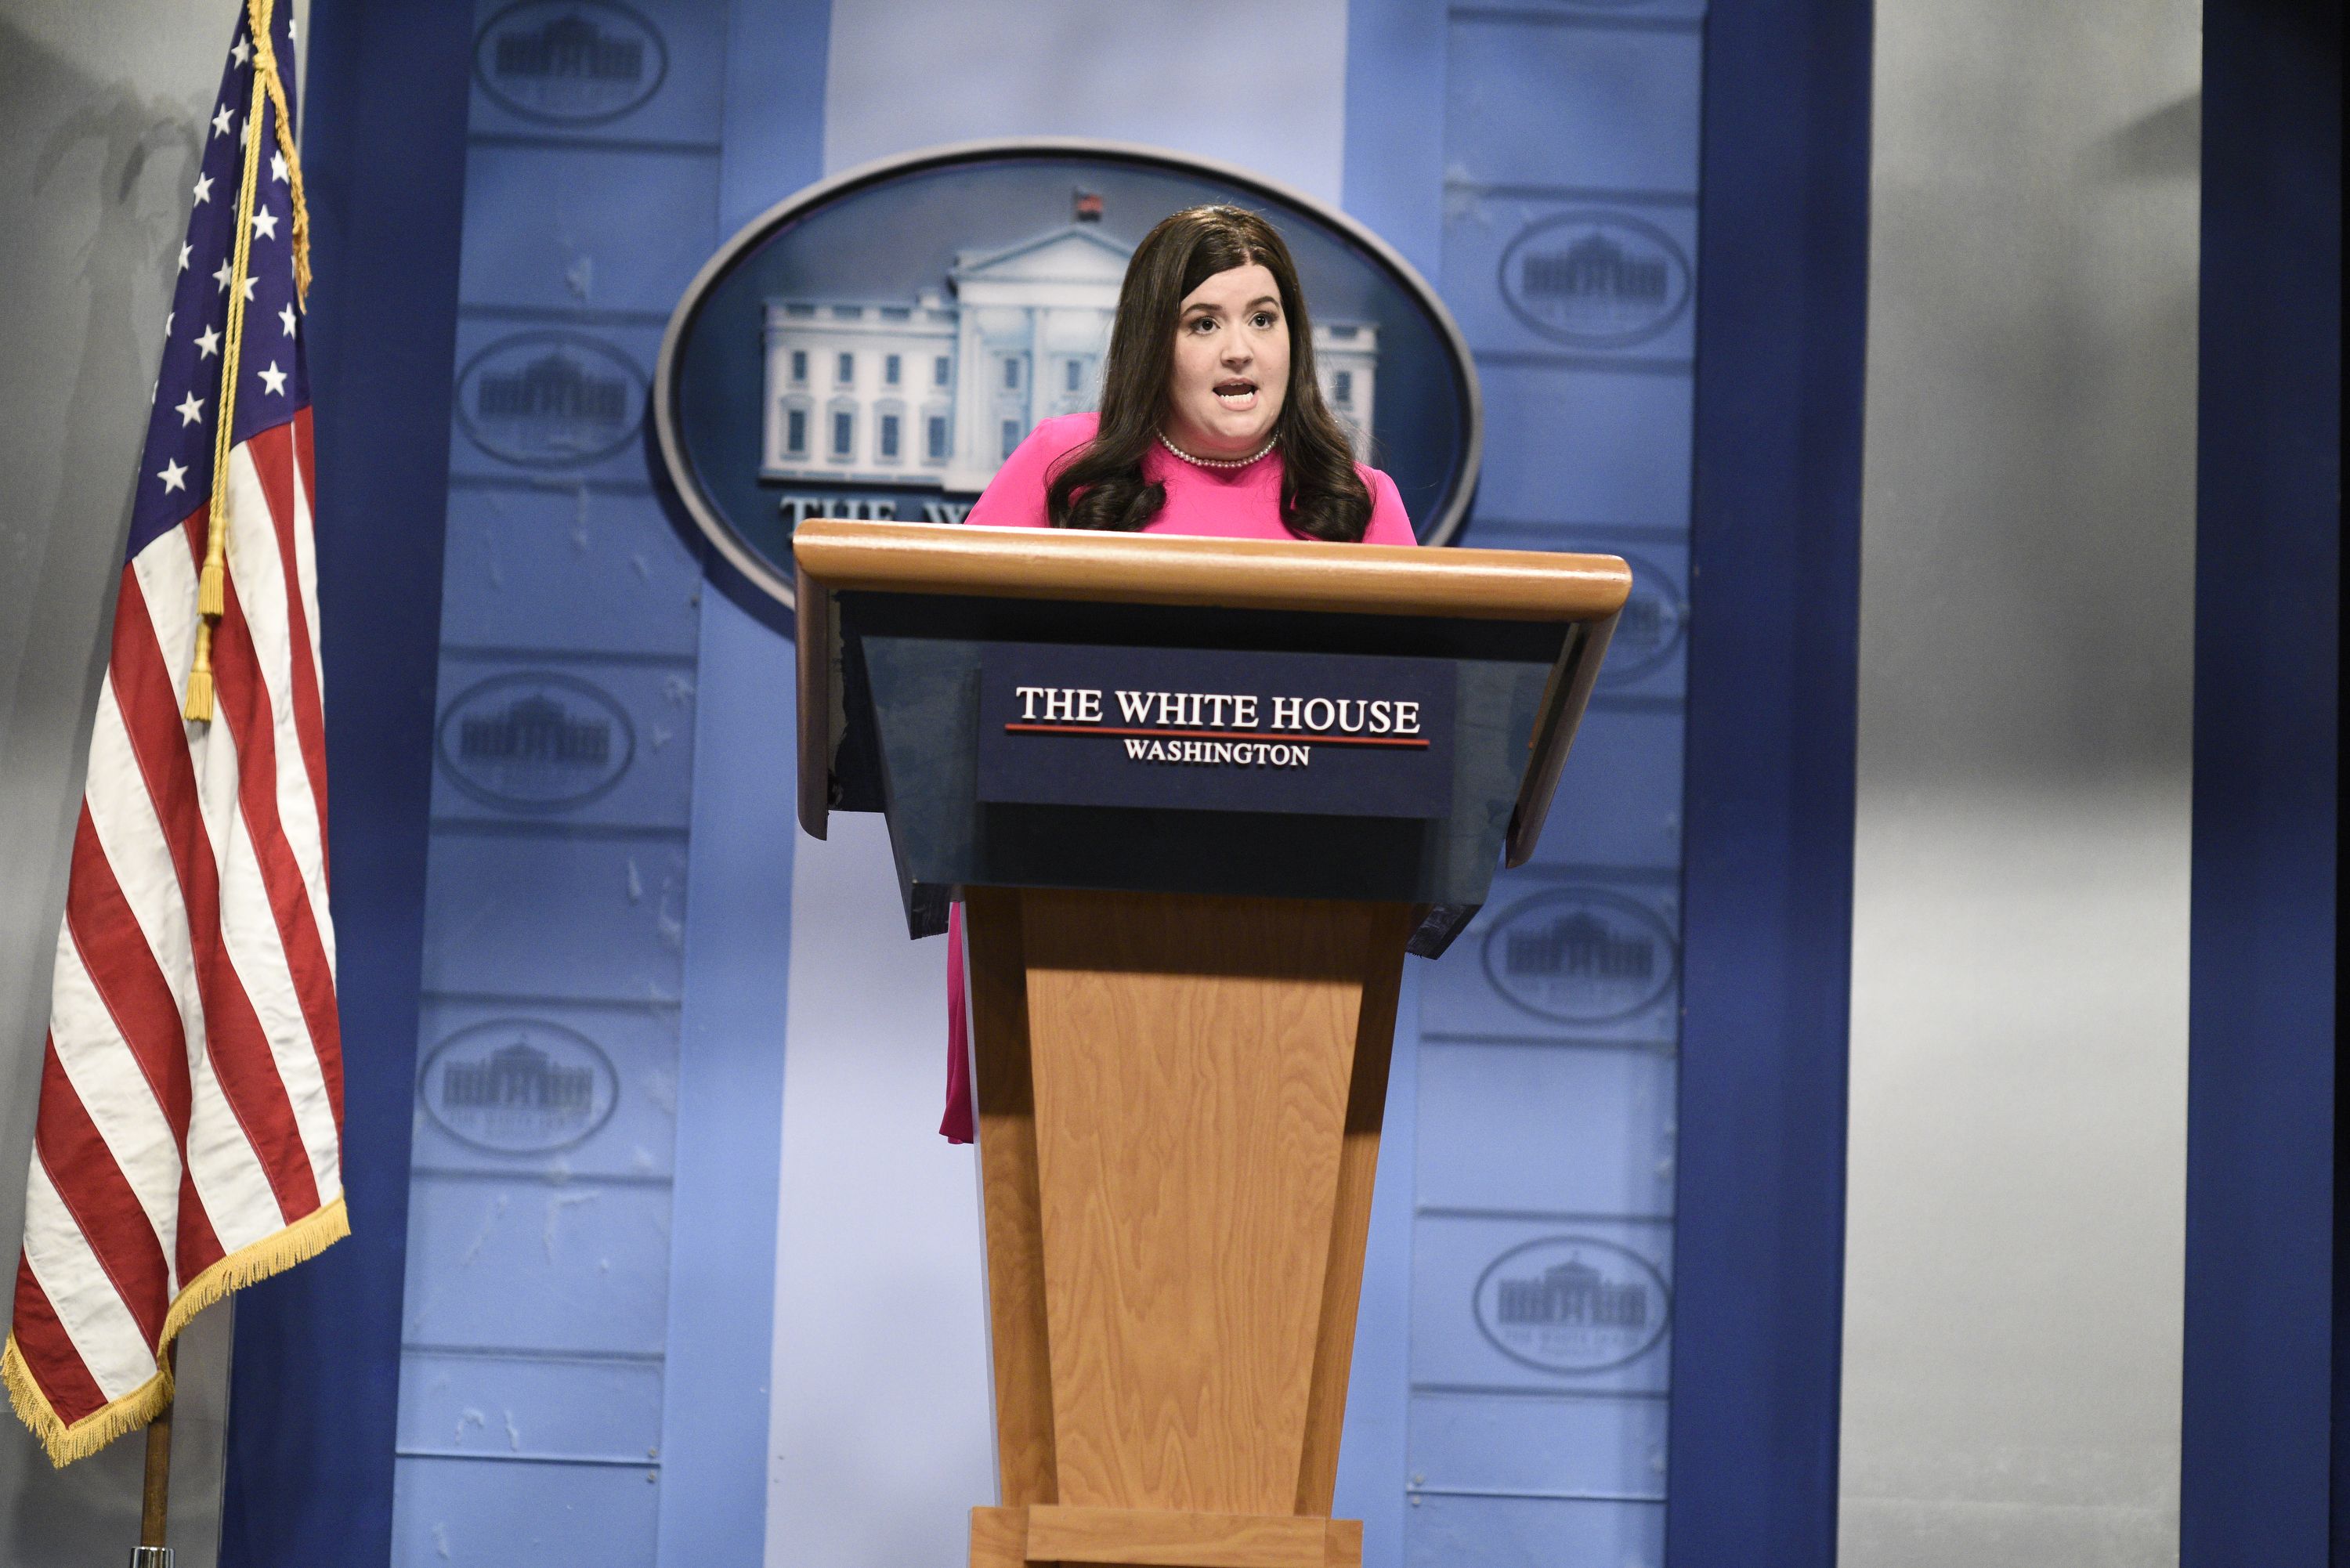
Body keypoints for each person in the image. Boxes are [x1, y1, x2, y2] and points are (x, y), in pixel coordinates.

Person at [939, 203, 1419, 1142]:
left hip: (1293, 954)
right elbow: (948, 674)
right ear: (1153, 343)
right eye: (1204, 322)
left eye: (1263, 318)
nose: (1240, 349)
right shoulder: (1066, 473)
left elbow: (1416, 742)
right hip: (1058, 915)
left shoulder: (1359, 506)